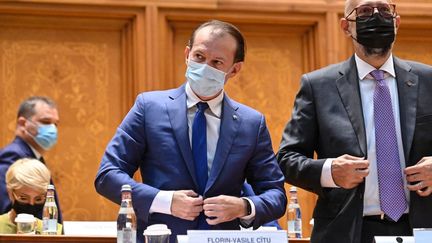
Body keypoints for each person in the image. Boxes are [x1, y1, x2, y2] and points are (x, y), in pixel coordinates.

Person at [95, 19, 287, 242]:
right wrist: (163, 201)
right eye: (199, 57)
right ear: (187, 54)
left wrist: (243, 206)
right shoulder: (149, 108)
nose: (205, 67)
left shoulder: (251, 123)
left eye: (216, 62)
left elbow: (276, 194)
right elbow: (107, 176)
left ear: (234, 69)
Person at [277, 0, 432, 242]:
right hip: (347, 231)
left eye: (384, 10)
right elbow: (287, 159)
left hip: (422, 229)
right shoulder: (317, 86)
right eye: (365, 11)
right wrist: (330, 172)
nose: (376, 16)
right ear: (345, 26)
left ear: (397, 22)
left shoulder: (428, 80)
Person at [0, 96, 63, 223]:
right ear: (23, 123)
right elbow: (8, 210)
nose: (53, 129)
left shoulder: (34, 157)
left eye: (55, 124)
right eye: (46, 122)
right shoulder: (14, 156)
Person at [0, 158, 62, 234]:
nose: (31, 204)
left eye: (38, 199)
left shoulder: (54, 232)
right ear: (10, 192)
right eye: (23, 198)